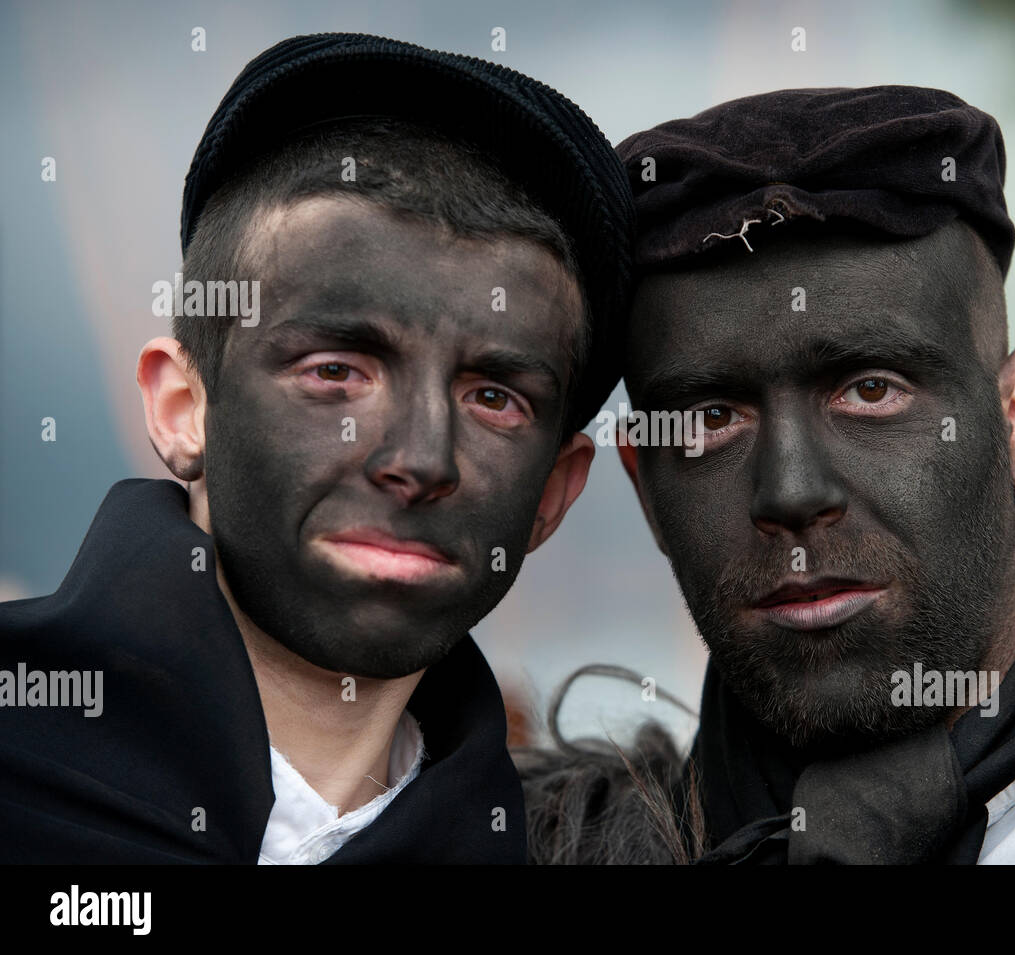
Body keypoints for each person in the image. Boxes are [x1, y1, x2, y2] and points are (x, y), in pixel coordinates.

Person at [518, 86, 1015, 865]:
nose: (791, 493)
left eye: (870, 390)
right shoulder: (550, 847)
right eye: (712, 419)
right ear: (645, 483)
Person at [0, 32, 634, 864]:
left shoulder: (582, 847)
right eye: (336, 370)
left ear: (555, 491)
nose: (421, 460)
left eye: (492, 398)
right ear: (184, 408)